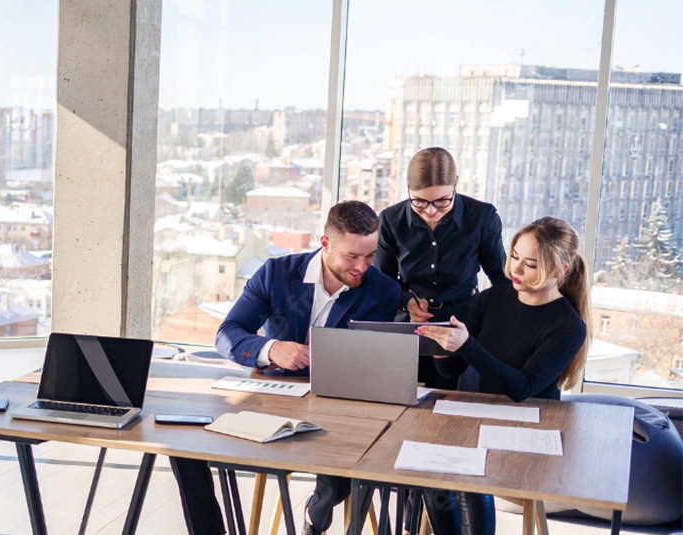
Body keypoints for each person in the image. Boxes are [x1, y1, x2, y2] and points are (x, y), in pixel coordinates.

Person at [169, 201, 400, 535]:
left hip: (336, 407)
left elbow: (368, 362)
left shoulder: (382, 290)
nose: (362, 267)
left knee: (350, 454)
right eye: (352, 256)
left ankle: (314, 518)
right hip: (271, 400)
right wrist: (271, 349)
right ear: (325, 243)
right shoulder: (276, 273)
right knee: (184, 444)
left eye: (370, 255)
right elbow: (227, 334)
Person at [417, 216, 591, 535]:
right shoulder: (491, 299)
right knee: (428, 465)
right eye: (514, 257)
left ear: (559, 270)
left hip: (528, 425)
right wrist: (443, 353)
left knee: (469, 473)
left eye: (530, 264)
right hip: (476, 415)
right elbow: (454, 370)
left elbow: (522, 388)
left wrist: (468, 346)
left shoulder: (568, 326)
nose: (516, 269)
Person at [375, 147, 509, 391]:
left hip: (463, 323)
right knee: (401, 396)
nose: (430, 211)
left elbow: (500, 278)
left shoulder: (481, 217)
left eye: (442, 201)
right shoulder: (390, 220)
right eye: (419, 202)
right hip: (409, 326)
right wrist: (407, 302)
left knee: (454, 400)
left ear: (455, 183)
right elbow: (384, 281)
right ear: (408, 188)